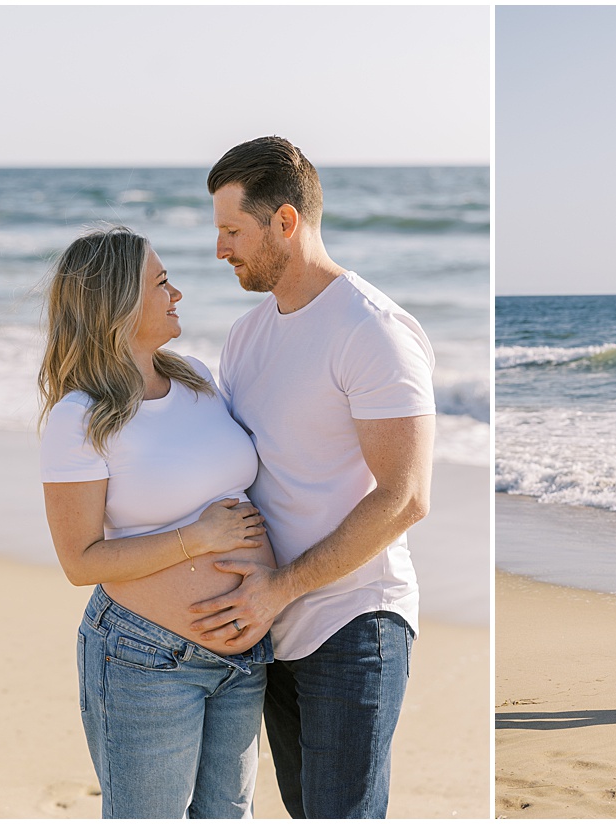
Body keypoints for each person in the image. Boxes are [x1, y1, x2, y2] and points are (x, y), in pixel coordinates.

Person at [187, 136, 436, 818]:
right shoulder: (245, 336)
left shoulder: (372, 329)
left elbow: (406, 496)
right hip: (272, 627)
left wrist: (280, 590)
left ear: (286, 222)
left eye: (232, 230)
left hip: (354, 621)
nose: (220, 250)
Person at [38, 226, 277, 818]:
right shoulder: (80, 417)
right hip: (146, 659)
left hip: (245, 654)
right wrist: (196, 539)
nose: (178, 294)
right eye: (162, 283)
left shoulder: (196, 377)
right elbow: (80, 561)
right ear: (117, 303)